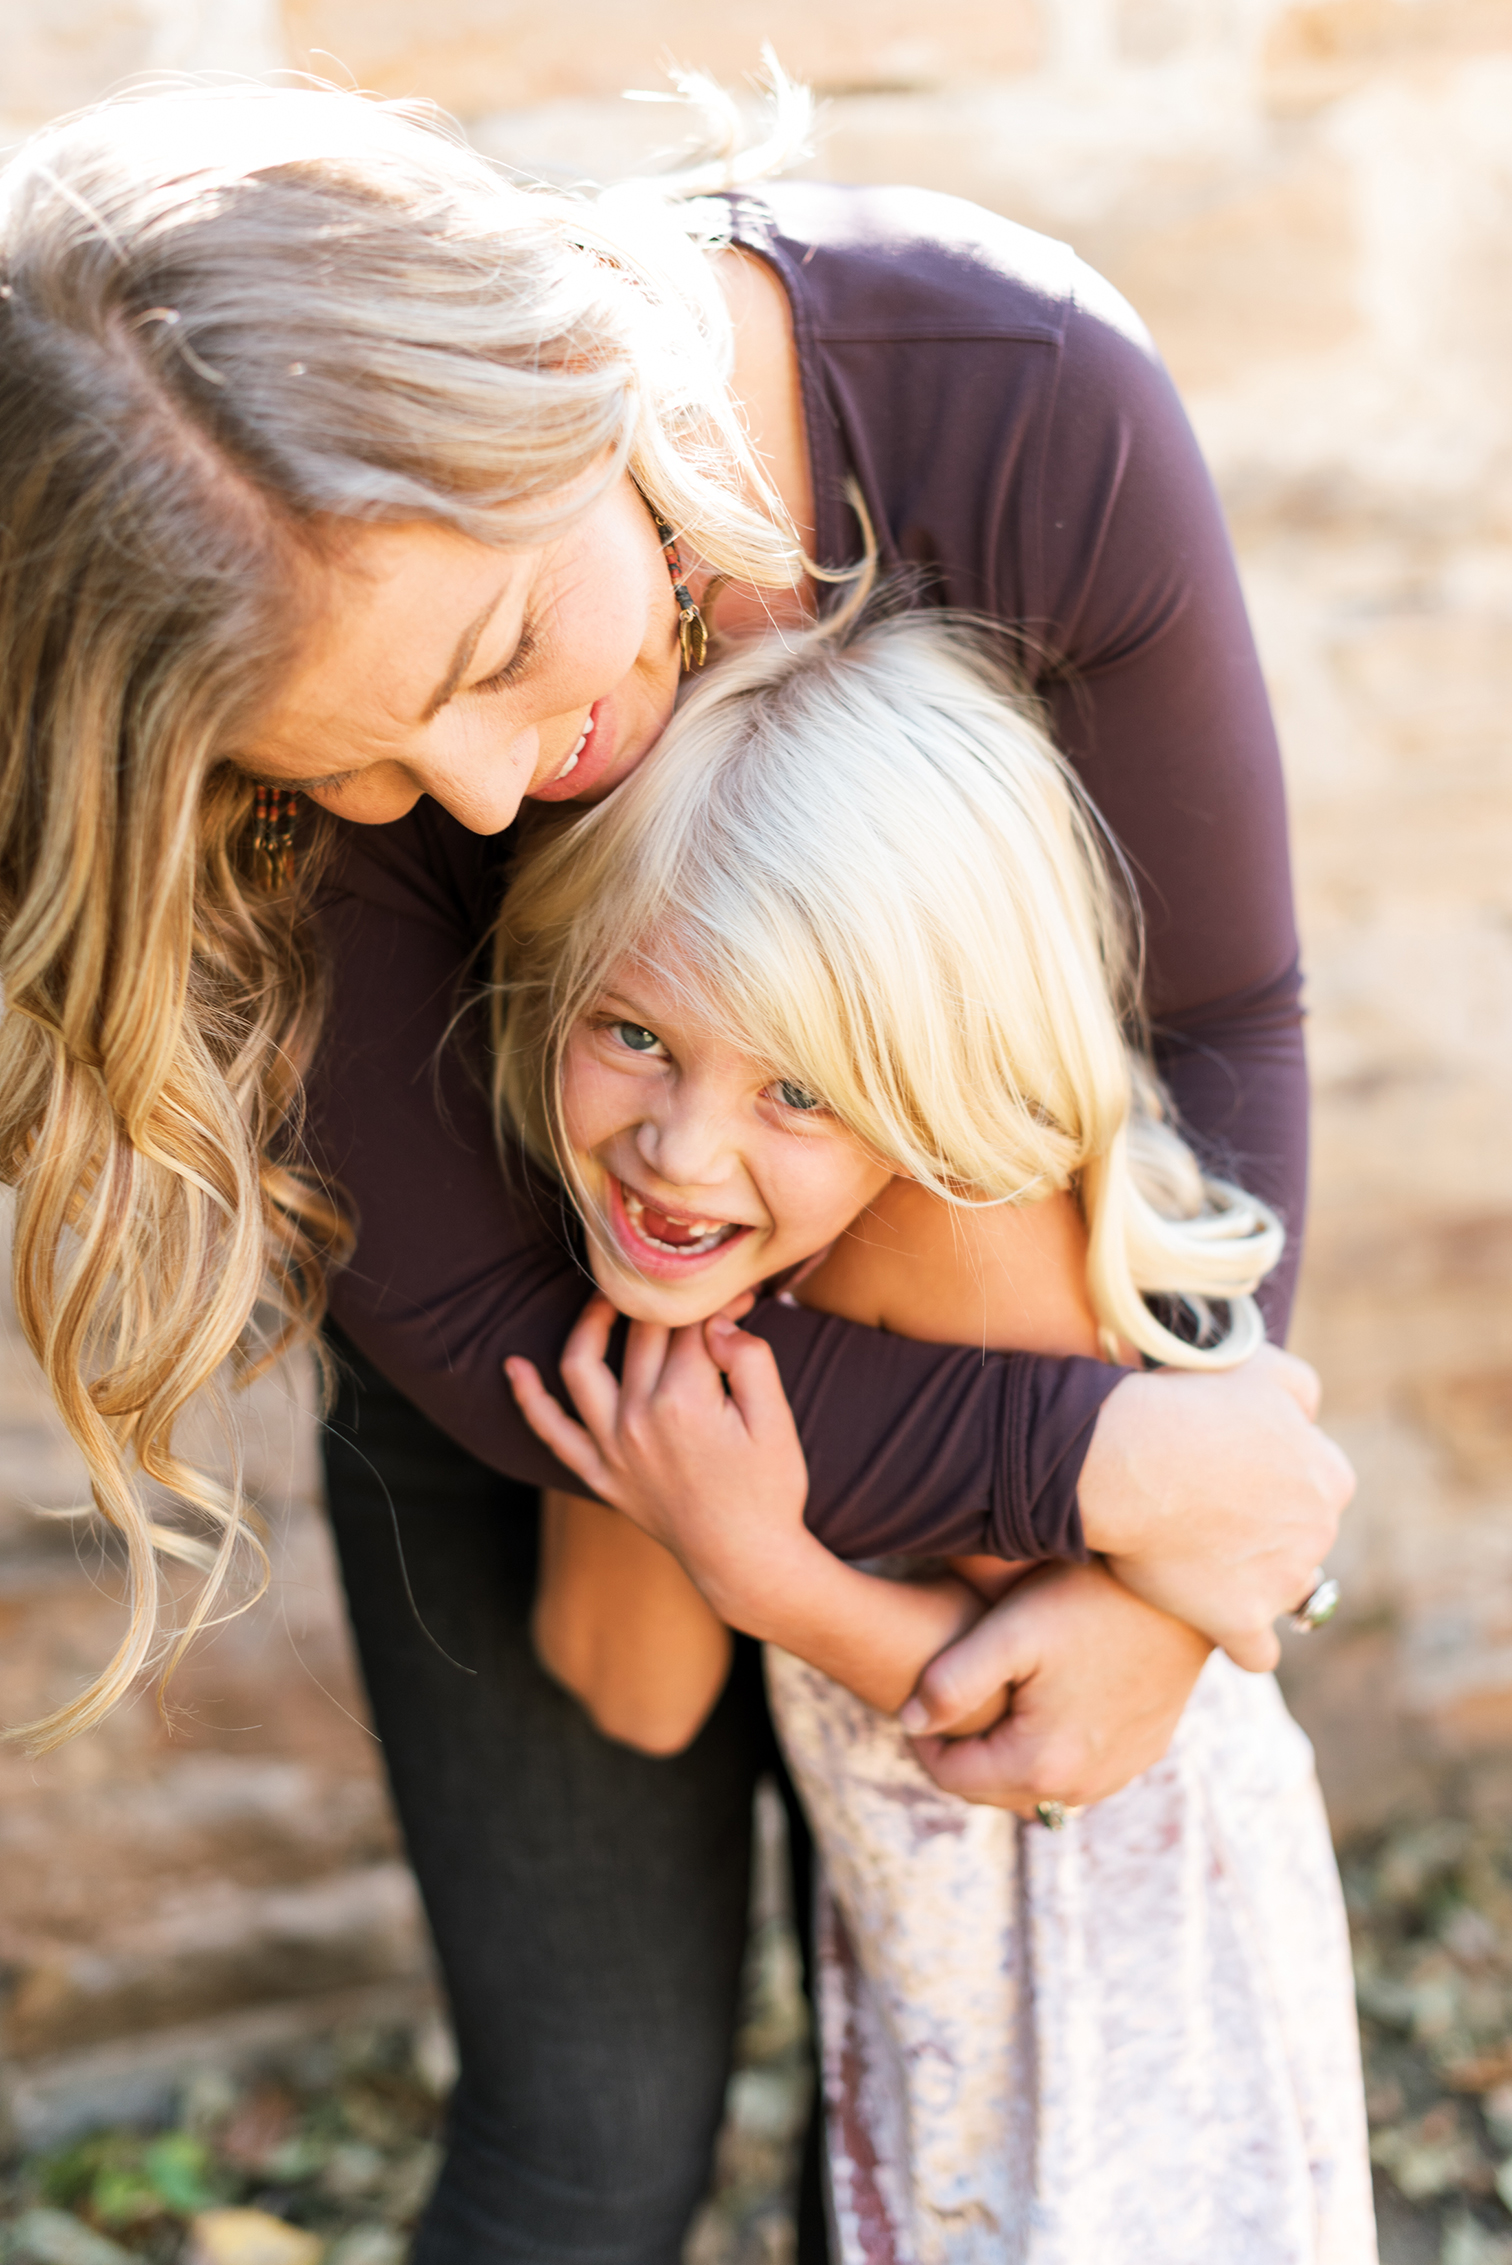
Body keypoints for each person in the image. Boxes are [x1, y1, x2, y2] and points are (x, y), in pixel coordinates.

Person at [0, 76, 1353, 2264]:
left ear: (552, 373)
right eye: (336, 763)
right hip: (541, 1401)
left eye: (486, 658)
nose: (459, 789)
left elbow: (1225, 1023)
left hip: (961, 1312)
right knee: (587, 2133)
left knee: (931, 2076)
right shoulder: (265, 717)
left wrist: (1173, 1540)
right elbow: (498, 1336)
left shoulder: (1018, 402)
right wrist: (1124, 1471)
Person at [500, 604, 1376, 2264]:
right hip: (939, 1955)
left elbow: (1066, 1716)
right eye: (634, 1034)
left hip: (1111, 1948)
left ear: (918, 1078)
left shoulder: (953, 1239)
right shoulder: (689, 1246)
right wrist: (652, 1368)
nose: (682, 1149)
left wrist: (765, 1569)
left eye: (799, 1090)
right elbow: (628, 1678)